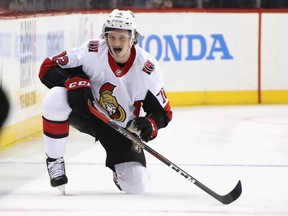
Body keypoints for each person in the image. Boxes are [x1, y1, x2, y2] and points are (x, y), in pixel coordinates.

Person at [38, 9, 172, 194]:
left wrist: (151, 123)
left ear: (133, 38)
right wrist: (71, 81)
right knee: (55, 97)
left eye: (122, 38)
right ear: (105, 36)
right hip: (88, 112)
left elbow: (164, 113)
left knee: (136, 185)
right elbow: (47, 67)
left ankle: (119, 174)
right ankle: (55, 162)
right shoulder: (91, 51)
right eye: (112, 37)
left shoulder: (147, 69)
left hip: (120, 129)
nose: (116, 43)